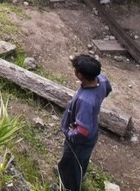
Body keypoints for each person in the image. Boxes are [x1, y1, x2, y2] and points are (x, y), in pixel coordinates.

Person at [58, 54, 112, 191]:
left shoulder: (86, 101)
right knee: (81, 161)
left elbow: (82, 130)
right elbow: (108, 89)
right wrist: (76, 60)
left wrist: (71, 134)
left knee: (71, 162)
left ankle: (69, 186)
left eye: (75, 68)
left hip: (79, 141)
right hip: (91, 135)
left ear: (80, 75)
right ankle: (76, 175)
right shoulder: (101, 81)